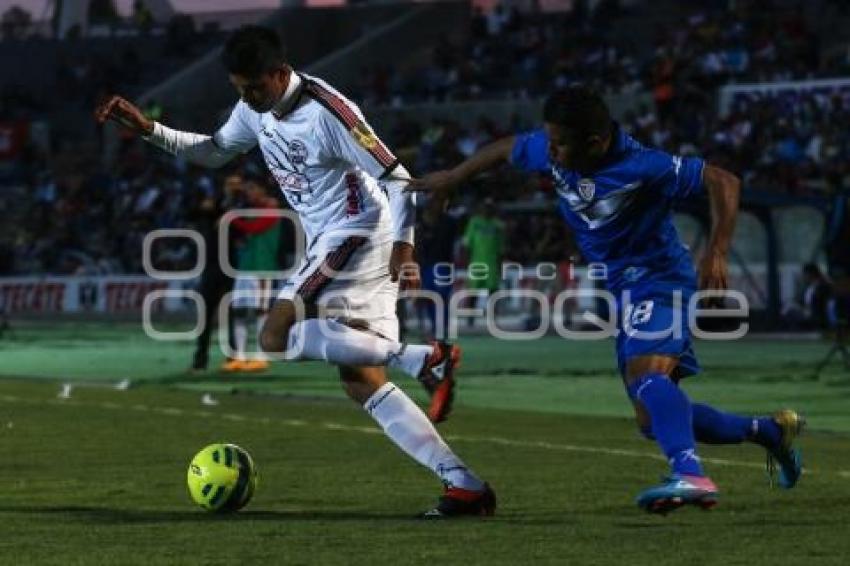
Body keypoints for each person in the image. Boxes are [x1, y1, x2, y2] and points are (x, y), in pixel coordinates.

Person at [95, 25, 494, 518]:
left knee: (273, 333)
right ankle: (464, 484)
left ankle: (422, 358)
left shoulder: (330, 112)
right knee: (361, 378)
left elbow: (397, 177)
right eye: (239, 89)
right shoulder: (254, 107)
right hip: (337, 237)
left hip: (357, 232)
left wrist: (405, 247)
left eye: (255, 88)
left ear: (281, 72)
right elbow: (217, 150)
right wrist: (151, 131)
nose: (247, 98)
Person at [409, 85, 804, 514]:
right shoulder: (555, 146)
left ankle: (690, 475)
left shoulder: (643, 165)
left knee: (647, 376)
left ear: (596, 143)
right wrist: (452, 178)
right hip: (623, 287)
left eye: (560, 145)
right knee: (651, 420)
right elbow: (506, 149)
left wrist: (717, 253)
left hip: (660, 280)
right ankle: (767, 431)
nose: (552, 153)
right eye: (551, 141)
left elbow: (723, 181)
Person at [225, 174, 283, 372]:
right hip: (244, 266)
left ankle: (261, 356)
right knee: (239, 311)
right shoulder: (249, 210)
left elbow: (255, 228)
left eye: (251, 189)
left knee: (261, 312)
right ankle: (239, 356)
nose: (248, 193)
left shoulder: (271, 209)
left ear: (262, 190)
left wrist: (232, 218)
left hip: (262, 268)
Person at [461, 198, 505, 327]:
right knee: (473, 293)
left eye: (490, 207)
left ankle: (493, 320)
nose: (487, 209)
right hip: (476, 264)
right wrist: (466, 262)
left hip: (492, 264)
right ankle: (470, 319)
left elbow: (501, 249)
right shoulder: (474, 222)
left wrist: (501, 265)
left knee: (493, 293)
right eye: (485, 207)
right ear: (481, 208)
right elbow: (466, 244)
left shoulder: (498, 226)